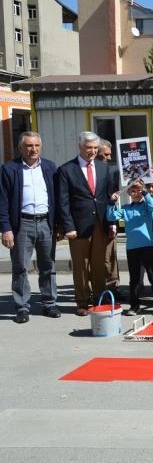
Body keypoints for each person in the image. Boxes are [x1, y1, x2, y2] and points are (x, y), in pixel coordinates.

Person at [0, 132, 59, 323]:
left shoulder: (50, 167)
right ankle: (22, 307)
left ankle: (49, 303)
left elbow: (57, 199)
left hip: (45, 223)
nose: (33, 149)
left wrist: (57, 225)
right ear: (20, 148)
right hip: (22, 224)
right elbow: (2, 201)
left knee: (48, 266)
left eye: (36, 145)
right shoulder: (9, 169)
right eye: (29, 146)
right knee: (20, 268)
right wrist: (6, 229)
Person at [57, 131, 112, 316]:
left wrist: (111, 222)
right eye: (89, 148)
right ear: (80, 147)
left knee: (99, 264)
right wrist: (68, 227)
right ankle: (82, 302)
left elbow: (107, 197)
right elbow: (63, 201)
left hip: (100, 223)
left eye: (96, 148)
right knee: (81, 265)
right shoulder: (66, 170)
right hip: (78, 225)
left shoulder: (104, 168)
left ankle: (99, 298)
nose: (93, 152)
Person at [107, 179, 153, 316]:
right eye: (133, 190)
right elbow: (111, 216)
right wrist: (111, 202)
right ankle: (134, 305)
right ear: (129, 193)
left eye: (139, 190)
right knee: (135, 278)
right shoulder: (126, 208)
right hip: (132, 248)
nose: (136, 193)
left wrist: (145, 192)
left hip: (148, 245)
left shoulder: (147, 206)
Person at [98, 138, 121, 297]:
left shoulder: (113, 170)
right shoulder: (85, 170)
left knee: (109, 257)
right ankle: (98, 288)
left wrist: (113, 223)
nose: (107, 158)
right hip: (90, 221)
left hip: (108, 219)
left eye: (109, 155)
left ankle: (113, 288)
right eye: (103, 155)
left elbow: (113, 198)